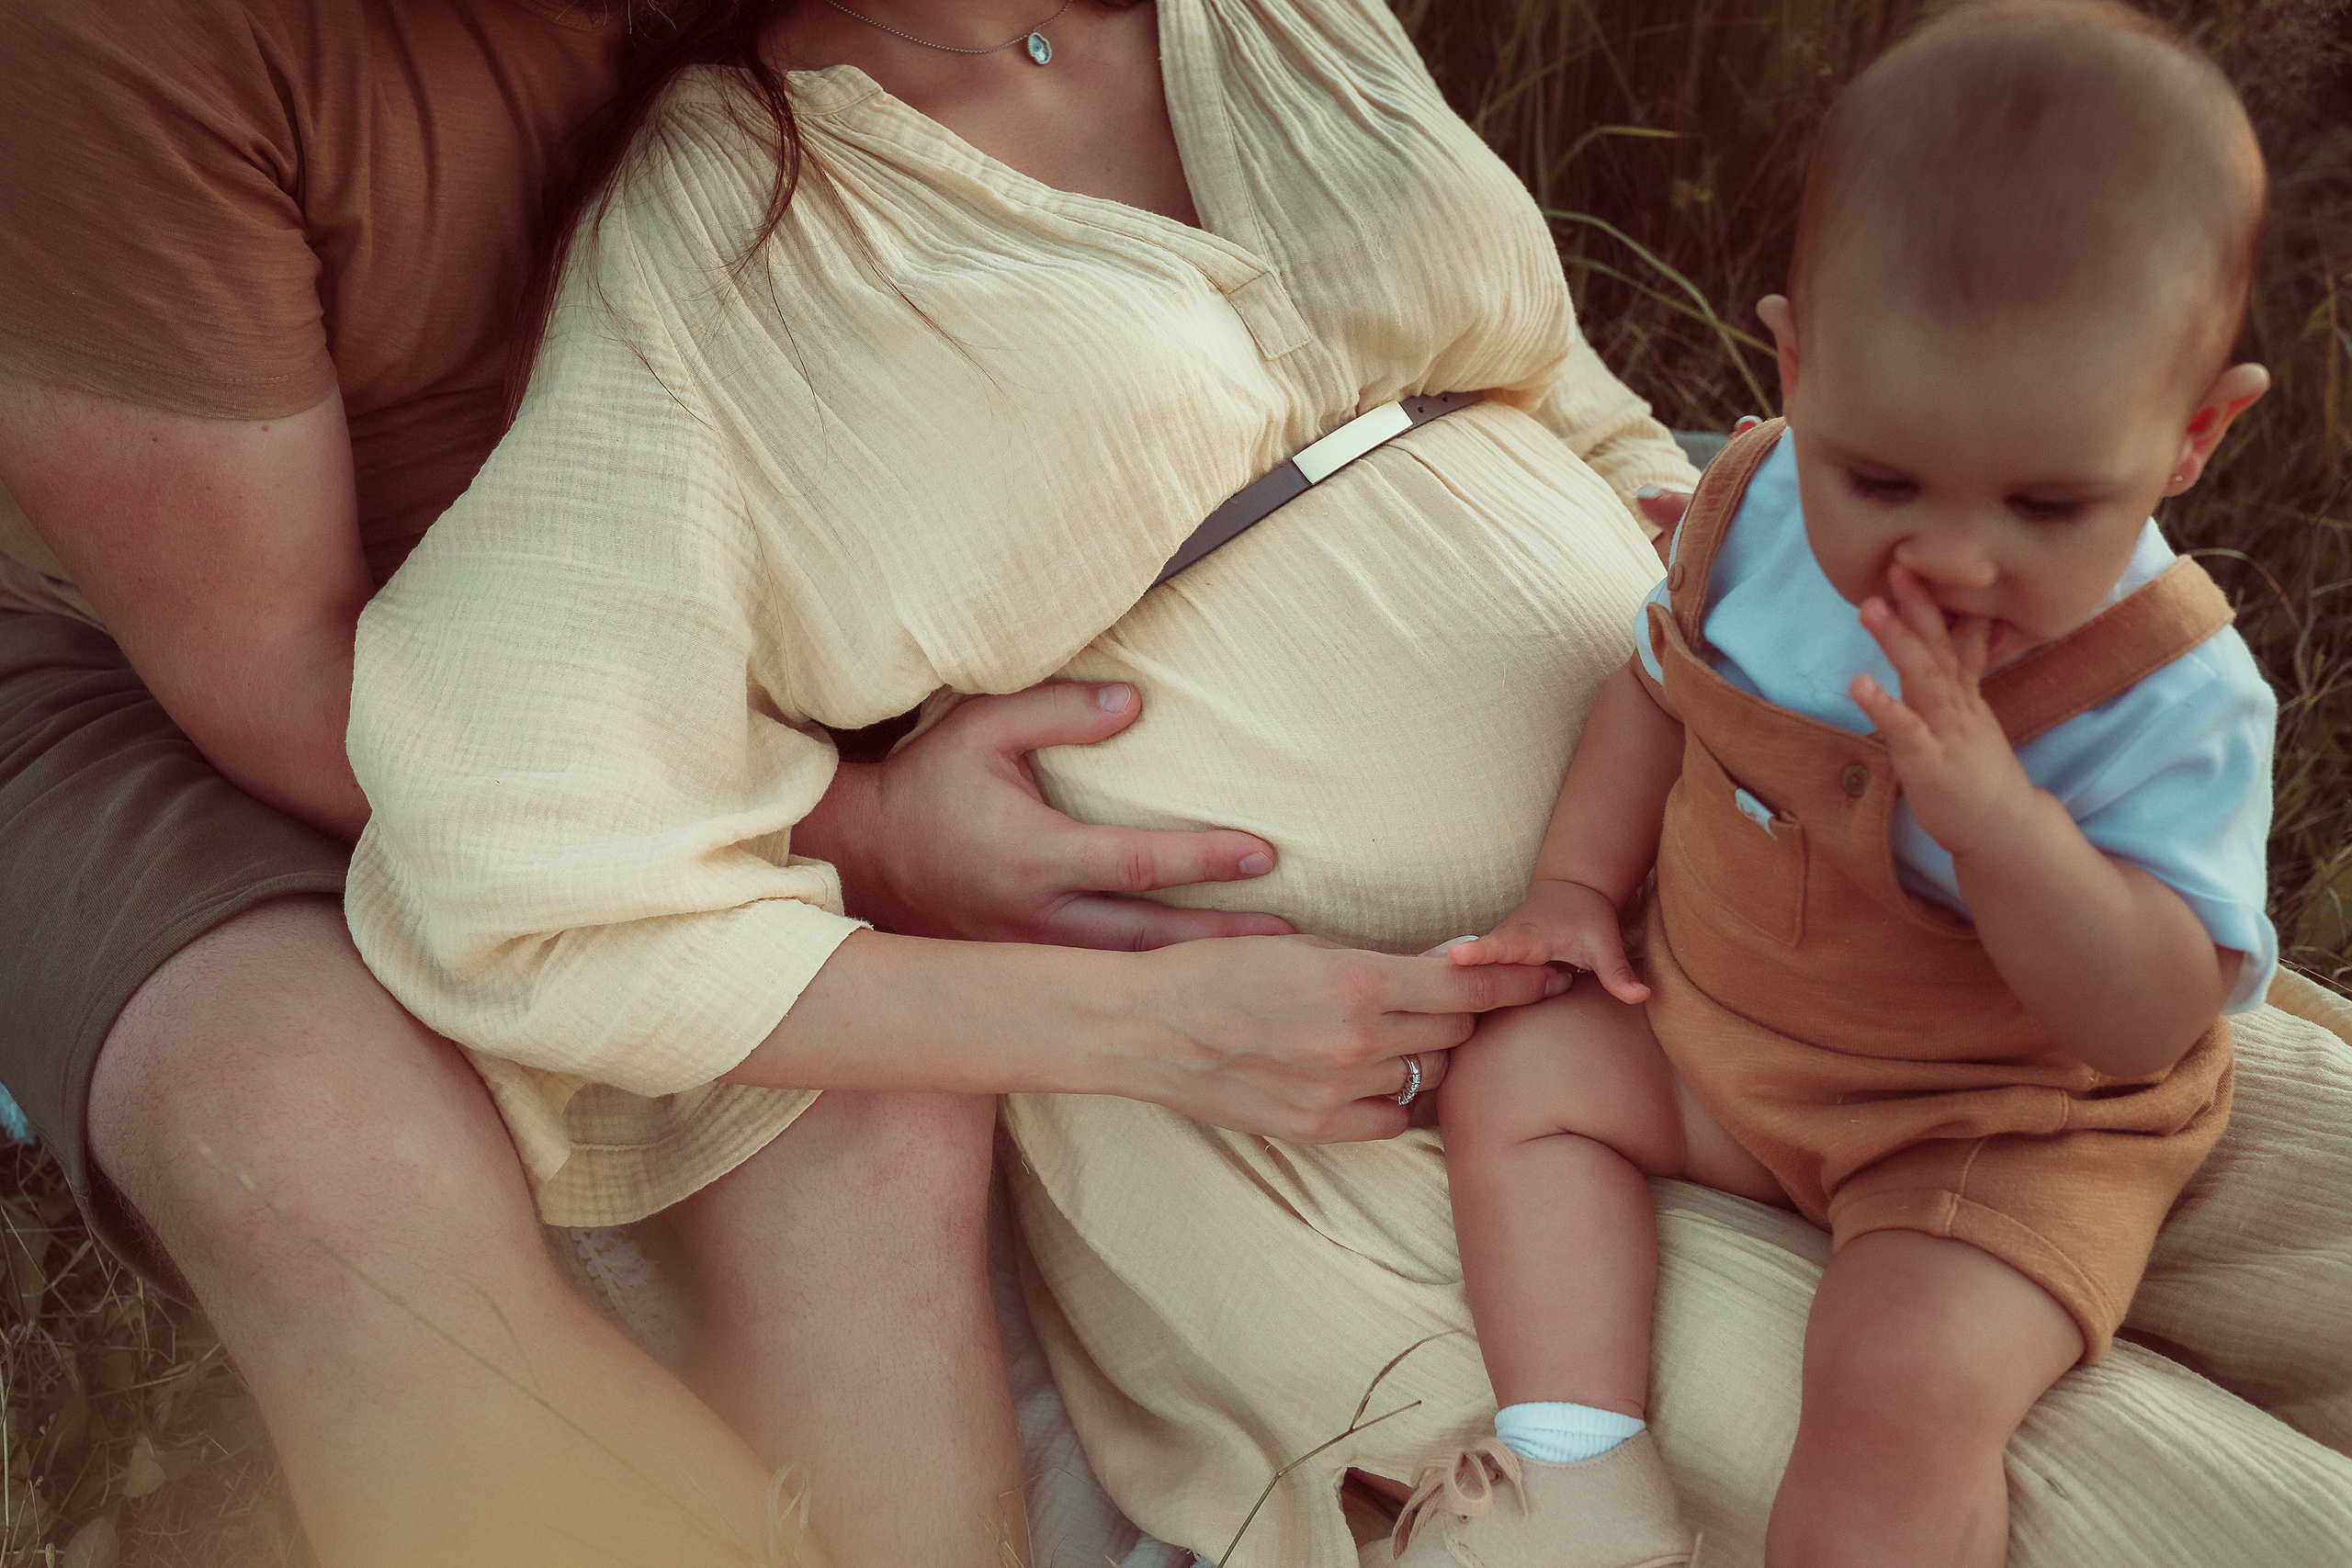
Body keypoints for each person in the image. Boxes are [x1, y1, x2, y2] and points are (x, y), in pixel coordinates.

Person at [346, 0, 2352, 1564]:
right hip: (1377, 1089)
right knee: (2076, 1493)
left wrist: (1734, 563)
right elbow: (536, 877)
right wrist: (1131, 1008)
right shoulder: (722, 233)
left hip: (1818, 895)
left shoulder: (1273, 22)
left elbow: (1549, 383)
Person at [0, 2, 1571, 1562]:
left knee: (876, 1143)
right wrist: (860, 833)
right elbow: (283, 676)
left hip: (706, 570)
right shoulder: (117, 49)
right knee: (307, 1162)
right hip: (189, 648)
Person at [1414, 8, 2280, 1565]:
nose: (1948, 555)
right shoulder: (1747, 516)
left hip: (1992, 1126)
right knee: (1520, 1081)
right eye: (1879, 478)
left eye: (2045, 501)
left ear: (2192, 437)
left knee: (1898, 1379)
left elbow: (2154, 1014)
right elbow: (1656, 697)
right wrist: (1571, 890)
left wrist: (2001, 825)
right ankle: (1579, 1472)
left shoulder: (2168, 689)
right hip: (1724, 1036)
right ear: (1798, 371)